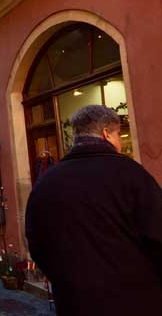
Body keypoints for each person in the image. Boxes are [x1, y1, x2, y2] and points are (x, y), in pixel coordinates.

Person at [26, 105, 162, 316]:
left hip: (74, 301)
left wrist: (64, 278)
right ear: (107, 133)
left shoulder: (47, 181)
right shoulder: (132, 174)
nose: (120, 141)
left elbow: (36, 242)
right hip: (134, 299)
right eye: (118, 134)